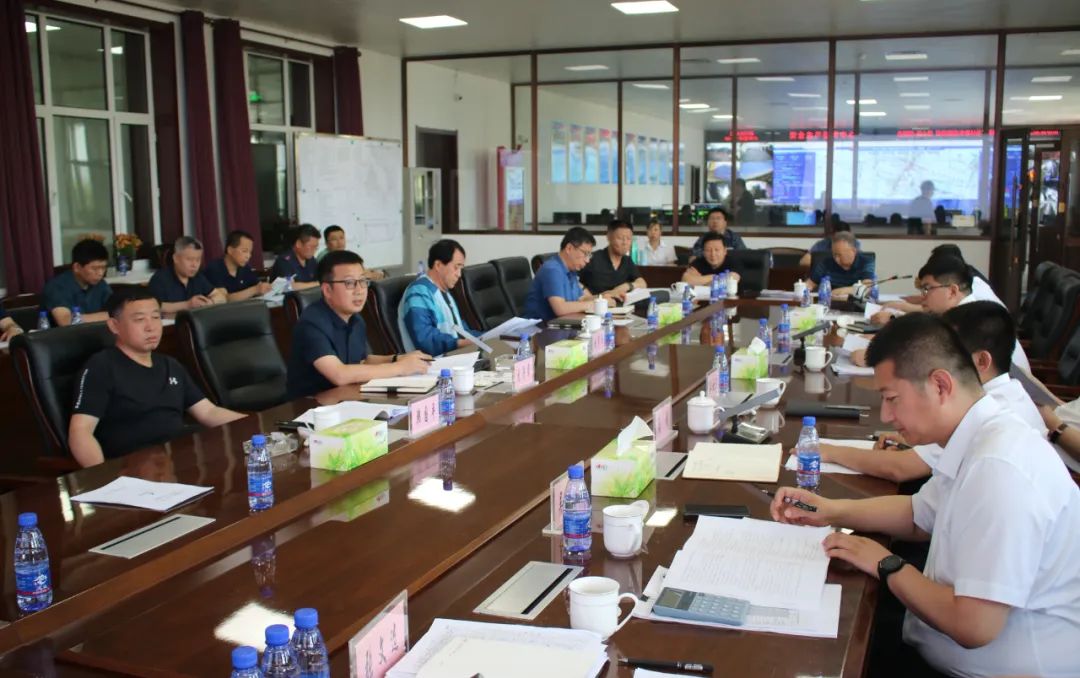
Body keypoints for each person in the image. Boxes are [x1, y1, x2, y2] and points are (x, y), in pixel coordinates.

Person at [772, 313, 1080, 678]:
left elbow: (974, 627)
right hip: (935, 633)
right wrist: (830, 511)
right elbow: (919, 514)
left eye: (892, 399)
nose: (887, 415)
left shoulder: (1000, 468)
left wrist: (885, 563)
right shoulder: (978, 435)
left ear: (940, 385)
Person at [817, 302, 1045, 483]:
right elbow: (924, 510)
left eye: (952, 351)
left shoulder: (995, 452)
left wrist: (829, 451)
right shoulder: (984, 405)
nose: (939, 357)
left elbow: (902, 468)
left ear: (982, 361)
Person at [67, 287, 245, 467]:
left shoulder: (170, 365)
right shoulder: (101, 367)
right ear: (114, 326)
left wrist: (255, 426)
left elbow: (208, 412)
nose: (151, 327)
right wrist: (101, 476)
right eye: (139, 319)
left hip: (178, 457)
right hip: (134, 465)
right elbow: (81, 431)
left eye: (155, 317)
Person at [286, 250, 430, 398]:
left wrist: (398, 358)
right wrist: (399, 367)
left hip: (345, 398)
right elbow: (339, 374)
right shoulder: (311, 324)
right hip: (310, 405)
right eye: (349, 283)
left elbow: (362, 361)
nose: (359, 290)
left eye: (362, 281)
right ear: (327, 290)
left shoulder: (355, 320)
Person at [398, 239, 481, 356]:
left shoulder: (445, 293)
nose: (459, 274)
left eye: (461, 269)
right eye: (456, 267)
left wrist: (488, 336)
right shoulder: (419, 292)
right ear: (438, 265)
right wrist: (458, 343)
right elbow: (425, 338)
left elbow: (462, 332)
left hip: (455, 357)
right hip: (432, 363)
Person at [523, 227, 601, 321]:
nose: (587, 260)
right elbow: (560, 308)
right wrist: (593, 304)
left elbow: (581, 299)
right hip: (538, 327)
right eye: (585, 254)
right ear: (569, 248)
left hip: (560, 324)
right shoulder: (552, 270)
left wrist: (601, 300)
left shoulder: (571, 270)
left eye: (589, 255)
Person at [148, 236, 226, 314]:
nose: (194, 265)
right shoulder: (160, 279)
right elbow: (156, 306)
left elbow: (220, 296)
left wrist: (210, 302)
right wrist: (187, 305)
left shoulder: (198, 277)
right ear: (176, 258)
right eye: (189, 259)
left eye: (198, 260)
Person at [42, 239, 113, 325]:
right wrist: (111, 315)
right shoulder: (56, 287)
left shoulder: (101, 284)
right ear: (77, 267)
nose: (100, 273)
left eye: (103, 267)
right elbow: (66, 321)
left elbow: (117, 309)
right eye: (95, 268)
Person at [580, 220, 647, 299]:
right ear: (609, 237)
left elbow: (642, 283)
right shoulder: (592, 258)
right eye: (620, 238)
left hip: (622, 305)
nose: (625, 243)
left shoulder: (627, 261)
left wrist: (627, 286)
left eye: (629, 238)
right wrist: (590, 297)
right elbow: (573, 279)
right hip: (597, 304)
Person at [204, 230, 272, 302]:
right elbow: (225, 299)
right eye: (244, 251)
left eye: (250, 252)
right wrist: (255, 290)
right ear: (230, 250)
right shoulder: (214, 269)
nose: (248, 256)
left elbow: (258, 287)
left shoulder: (245, 268)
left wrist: (263, 288)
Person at [806, 231, 875, 294]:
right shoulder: (826, 263)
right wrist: (803, 288)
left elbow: (867, 286)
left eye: (839, 255)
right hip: (830, 301)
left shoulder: (866, 261)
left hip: (855, 302)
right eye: (834, 254)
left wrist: (841, 291)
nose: (836, 259)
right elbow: (810, 283)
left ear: (853, 251)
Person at [271, 224, 321, 290]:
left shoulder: (312, 260)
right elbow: (288, 286)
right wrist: (318, 284)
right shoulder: (284, 261)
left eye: (316, 247)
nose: (314, 250)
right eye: (311, 246)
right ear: (298, 244)